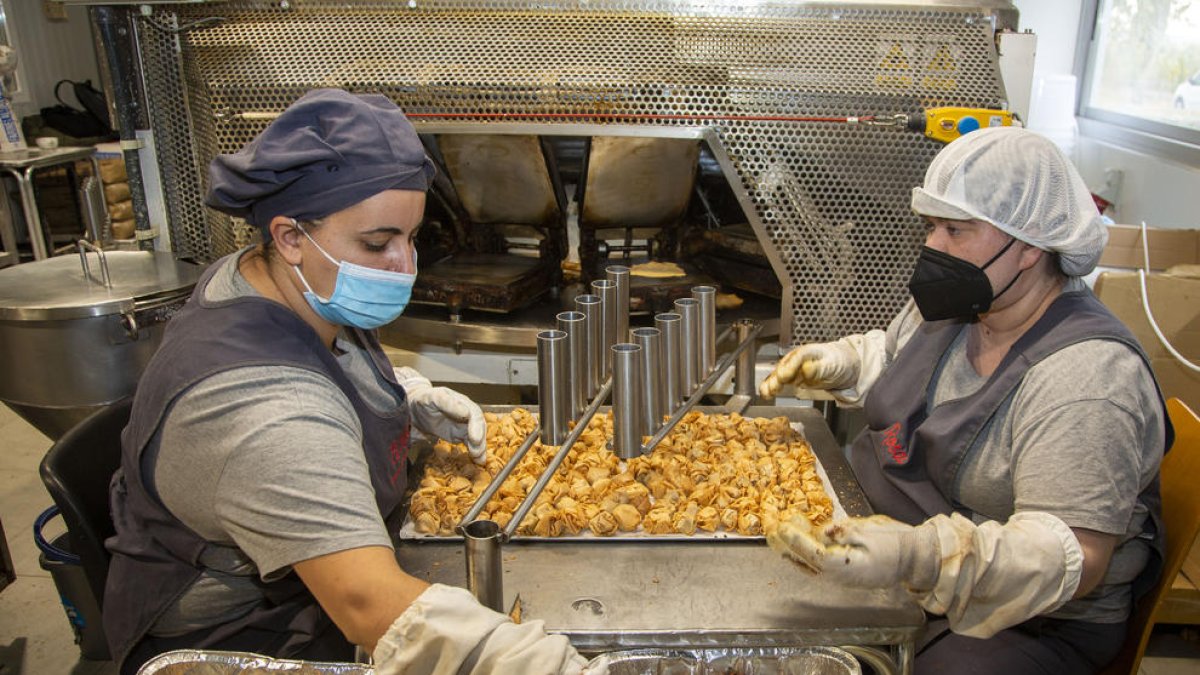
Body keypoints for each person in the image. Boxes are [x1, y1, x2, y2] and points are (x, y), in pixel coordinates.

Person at [103, 89, 591, 675]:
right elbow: (368, 605)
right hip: (247, 637)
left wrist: (406, 402)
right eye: (376, 243)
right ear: (288, 237)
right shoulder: (263, 408)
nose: (404, 264)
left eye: (413, 237)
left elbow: (326, 365)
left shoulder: (285, 284)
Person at [760, 127, 1171, 674]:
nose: (934, 248)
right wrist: (849, 363)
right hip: (898, 559)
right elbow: (908, 363)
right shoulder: (972, 301)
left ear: (1027, 246)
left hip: (1024, 620)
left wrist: (920, 557)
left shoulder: (1087, 378)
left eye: (956, 230)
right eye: (931, 227)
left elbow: (1073, 554)